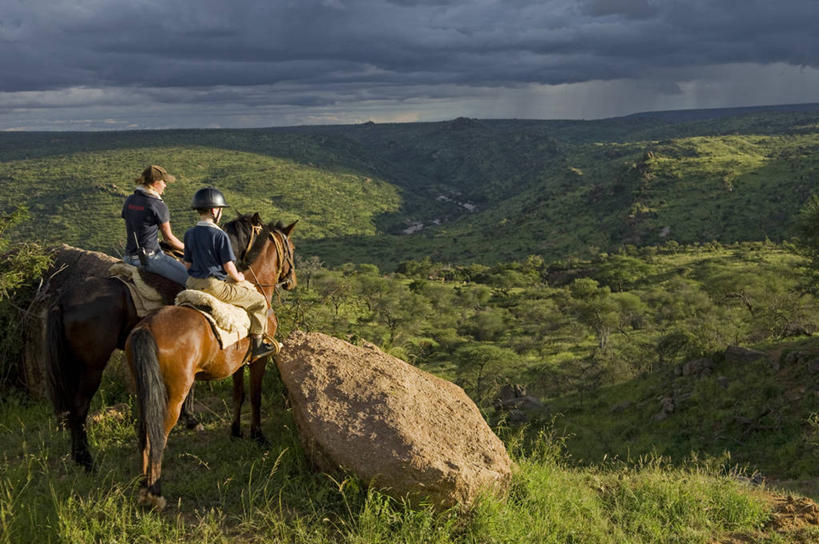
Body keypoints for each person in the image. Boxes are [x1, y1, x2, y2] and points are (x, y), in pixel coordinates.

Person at [183, 187, 277, 360]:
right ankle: (257, 345)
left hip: (191, 282)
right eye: (220, 209)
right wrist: (238, 277)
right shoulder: (219, 235)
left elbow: (187, 264)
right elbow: (228, 266)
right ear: (214, 210)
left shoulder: (189, 233)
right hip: (214, 286)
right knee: (259, 302)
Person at [122, 165, 188, 285]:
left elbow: (134, 224)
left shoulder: (130, 199)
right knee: (190, 281)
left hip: (127, 257)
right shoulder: (157, 204)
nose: (165, 185)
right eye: (164, 182)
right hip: (150, 259)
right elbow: (169, 239)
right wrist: (189, 249)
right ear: (155, 183)